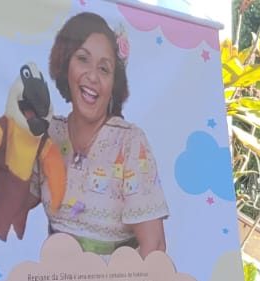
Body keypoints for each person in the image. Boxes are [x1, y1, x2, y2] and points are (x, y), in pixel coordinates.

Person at [43, 12, 168, 256]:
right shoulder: (48, 133)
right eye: (82, 59)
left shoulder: (130, 143)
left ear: (114, 83)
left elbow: (154, 248)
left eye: (104, 68)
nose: (92, 76)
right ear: (65, 63)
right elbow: (11, 208)